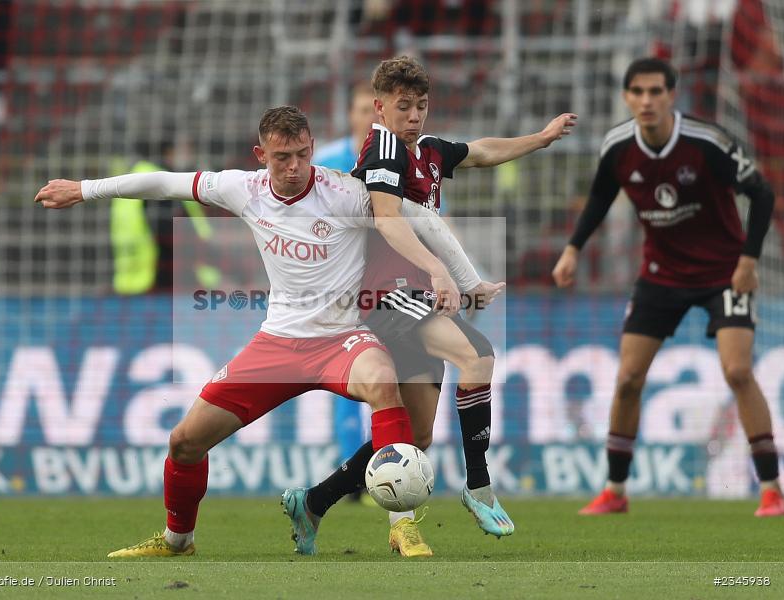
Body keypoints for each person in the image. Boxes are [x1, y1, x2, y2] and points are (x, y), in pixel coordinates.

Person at [35, 106, 487, 557]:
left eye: (301, 155)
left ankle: (402, 528)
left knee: (385, 384)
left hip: (343, 338)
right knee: (184, 442)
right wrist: (84, 189)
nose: (293, 167)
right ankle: (178, 541)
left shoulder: (346, 193)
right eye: (281, 158)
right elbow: (164, 183)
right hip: (278, 343)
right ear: (261, 155)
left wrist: (465, 279)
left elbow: (419, 218)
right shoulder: (243, 189)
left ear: (312, 149)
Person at [283, 55, 577, 557]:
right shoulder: (383, 149)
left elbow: (482, 150)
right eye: (403, 106)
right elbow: (389, 221)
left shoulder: (429, 151)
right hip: (385, 293)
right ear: (380, 107)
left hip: (418, 294)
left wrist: (540, 139)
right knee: (478, 354)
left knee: (414, 435)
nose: (414, 114)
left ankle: (312, 502)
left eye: (421, 105)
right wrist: (446, 271)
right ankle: (479, 485)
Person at [551, 57, 784, 518]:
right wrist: (573, 248)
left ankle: (772, 489)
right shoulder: (618, 146)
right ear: (626, 97)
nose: (646, 100)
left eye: (656, 91)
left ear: (671, 95)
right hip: (661, 274)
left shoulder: (707, 141)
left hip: (724, 273)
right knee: (627, 378)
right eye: (637, 92)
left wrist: (750, 260)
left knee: (738, 371)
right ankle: (615, 491)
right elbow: (601, 196)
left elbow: (761, 193)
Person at [314, 83, 378, 502]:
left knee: (385, 383)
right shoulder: (325, 163)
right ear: (351, 115)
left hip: (384, 288)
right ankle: (351, 475)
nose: (368, 119)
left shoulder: (401, 163)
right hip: (335, 289)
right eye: (360, 110)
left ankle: (376, 472)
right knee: (345, 388)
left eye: (374, 111)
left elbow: (428, 225)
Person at [110, 140, 222, 295]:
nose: (190, 154)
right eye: (187, 148)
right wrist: (225, 264)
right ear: (169, 151)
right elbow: (177, 236)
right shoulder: (159, 183)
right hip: (163, 283)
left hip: (132, 282)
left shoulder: (132, 177)